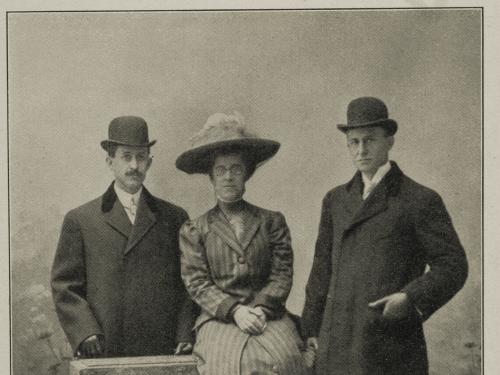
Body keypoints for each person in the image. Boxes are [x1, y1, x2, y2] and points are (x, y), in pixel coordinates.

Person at [301, 97, 468, 375]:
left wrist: (410, 298)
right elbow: (321, 270)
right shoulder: (335, 200)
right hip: (335, 343)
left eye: (370, 140)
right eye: (354, 142)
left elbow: (453, 265)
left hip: (389, 345)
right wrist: (310, 330)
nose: (361, 150)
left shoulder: (419, 199)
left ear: (390, 141)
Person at [51, 116, 195, 358]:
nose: (134, 166)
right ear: (110, 162)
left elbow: (190, 283)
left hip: (162, 348)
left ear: (149, 162)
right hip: (105, 349)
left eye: (140, 157)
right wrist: (85, 332)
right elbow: (64, 286)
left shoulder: (175, 217)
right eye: (126, 156)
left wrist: (185, 334)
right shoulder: (81, 219)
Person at [176, 112, 307, 375]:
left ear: (246, 174)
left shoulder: (272, 222)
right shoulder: (195, 229)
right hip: (220, 319)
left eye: (236, 169)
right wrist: (235, 311)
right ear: (211, 178)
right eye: (220, 170)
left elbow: (282, 273)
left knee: (287, 361)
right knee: (227, 366)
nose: (228, 177)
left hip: (268, 316)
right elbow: (197, 283)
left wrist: (260, 309)